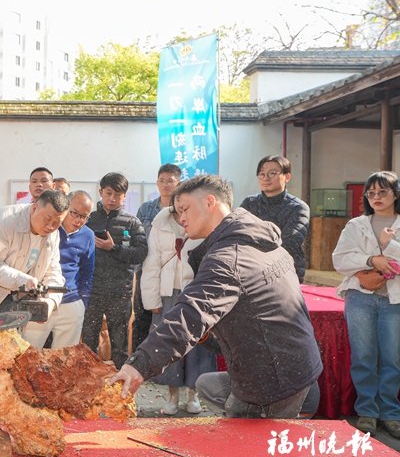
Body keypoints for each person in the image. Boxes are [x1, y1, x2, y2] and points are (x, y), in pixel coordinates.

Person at [109, 175, 322, 419]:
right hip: (296, 366)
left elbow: (190, 313)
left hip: (276, 381)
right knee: (206, 384)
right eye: (178, 212)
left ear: (210, 202)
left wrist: (139, 364)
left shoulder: (229, 256)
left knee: (241, 435)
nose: (182, 219)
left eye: (185, 209)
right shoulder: (258, 238)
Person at [332, 171, 400, 438]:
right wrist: (373, 259)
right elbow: (340, 260)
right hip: (360, 298)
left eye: (382, 192)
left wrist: (388, 245)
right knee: (363, 358)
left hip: (394, 301)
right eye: (371, 193)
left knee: (392, 360)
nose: (376, 197)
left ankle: (391, 413)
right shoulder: (355, 225)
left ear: (395, 193)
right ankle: (367, 412)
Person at [140, 196, 213, 415]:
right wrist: (151, 299)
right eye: (178, 202)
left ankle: (194, 394)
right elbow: (151, 263)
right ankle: (172, 395)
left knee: (198, 344)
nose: (181, 208)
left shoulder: (202, 221)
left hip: (195, 291)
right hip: (167, 293)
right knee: (167, 343)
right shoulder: (159, 223)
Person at [83, 172, 147, 369]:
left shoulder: (132, 222)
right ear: (100, 192)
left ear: (124, 197)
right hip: (92, 290)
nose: (112, 199)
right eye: (108, 193)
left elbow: (141, 253)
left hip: (120, 291)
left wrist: (114, 248)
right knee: (87, 342)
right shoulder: (88, 219)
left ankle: (120, 386)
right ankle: (87, 383)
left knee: (120, 344)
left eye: (118, 195)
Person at [16, 191, 93, 349]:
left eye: (84, 216)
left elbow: (87, 271)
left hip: (71, 301)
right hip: (41, 299)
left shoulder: (88, 235)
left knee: (65, 358)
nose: (78, 220)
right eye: (74, 213)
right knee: (28, 352)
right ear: (65, 209)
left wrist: (82, 302)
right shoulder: (47, 229)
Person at [0, 189, 68, 319]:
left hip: (13, 298)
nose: (50, 227)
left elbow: (53, 272)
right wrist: (24, 280)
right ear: (34, 208)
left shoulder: (53, 235)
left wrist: (51, 302)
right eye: (47, 219)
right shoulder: (3, 221)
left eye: (57, 223)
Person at [132, 163, 181, 350]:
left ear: (179, 183)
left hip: (173, 273)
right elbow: (138, 240)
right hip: (146, 270)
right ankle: (138, 360)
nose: (165, 185)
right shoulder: (146, 209)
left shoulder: (182, 209)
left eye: (170, 181)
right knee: (142, 318)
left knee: (167, 320)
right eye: (162, 180)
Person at [240, 155, 309, 283]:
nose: (266, 178)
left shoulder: (298, 208)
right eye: (261, 174)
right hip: (250, 273)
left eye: (272, 173)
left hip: (285, 273)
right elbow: (237, 234)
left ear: (286, 177)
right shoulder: (249, 203)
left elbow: (289, 243)